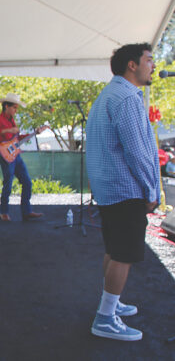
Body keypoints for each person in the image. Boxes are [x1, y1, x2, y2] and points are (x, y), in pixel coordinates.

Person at [86, 43, 160, 341]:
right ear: (132, 65)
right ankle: (104, 318)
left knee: (114, 250)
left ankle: (110, 304)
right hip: (126, 190)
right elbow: (138, 152)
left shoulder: (108, 95)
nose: (153, 65)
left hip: (109, 189)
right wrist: (151, 189)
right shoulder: (127, 98)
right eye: (149, 60)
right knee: (123, 255)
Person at [0, 93, 45, 222]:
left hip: (15, 155)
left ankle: (26, 211)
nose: (15, 110)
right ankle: (4, 212)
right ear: (6, 106)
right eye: (14, 107)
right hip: (5, 156)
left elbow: (16, 139)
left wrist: (34, 133)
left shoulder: (11, 120)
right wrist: (8, 131)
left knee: (27, 182)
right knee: (8, 183)